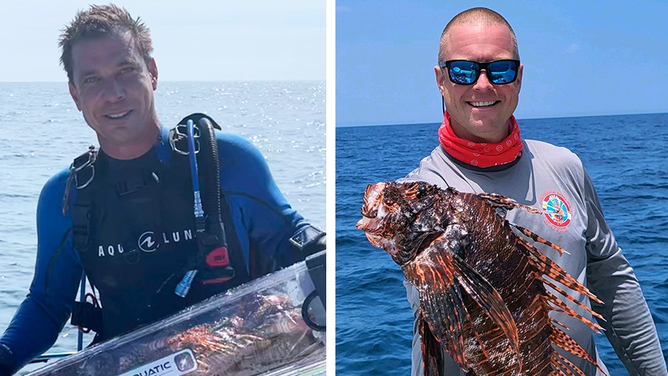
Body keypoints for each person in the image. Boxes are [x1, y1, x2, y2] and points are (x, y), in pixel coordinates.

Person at [0, 4, 325, 375]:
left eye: (126, 71)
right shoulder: (67, 196)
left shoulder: (226, 162)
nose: (114, 93)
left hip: (250, 360)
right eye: (93, 80)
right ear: (75, 95)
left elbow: (290, 238)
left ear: (152, 73)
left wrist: (322, 251)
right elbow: (46, 305)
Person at [399, 7, 666, 376]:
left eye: (500, 70)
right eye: (462, 70)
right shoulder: (421, 194)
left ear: (519, 78)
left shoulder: (565, 165)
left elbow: (611, 276)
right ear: (440, 80)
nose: (482, 85)